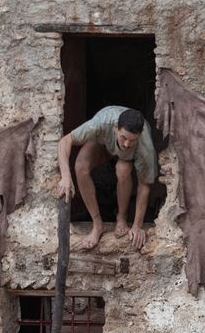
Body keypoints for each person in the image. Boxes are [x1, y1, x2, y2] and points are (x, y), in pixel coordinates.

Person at [56, 106, 158, 251]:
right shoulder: (101, 123)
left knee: (123, 169)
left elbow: (144, 185)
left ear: (140, 135)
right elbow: (65, 140)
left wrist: (137, 226)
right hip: (103, 142)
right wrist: (65, 176)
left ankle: (121, 218)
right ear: (116, 127)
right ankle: (97, 225)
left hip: (126, 158)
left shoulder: (145, 147)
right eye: (124, 137)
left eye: (132, 140)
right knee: (80, 166)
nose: (127, 144)